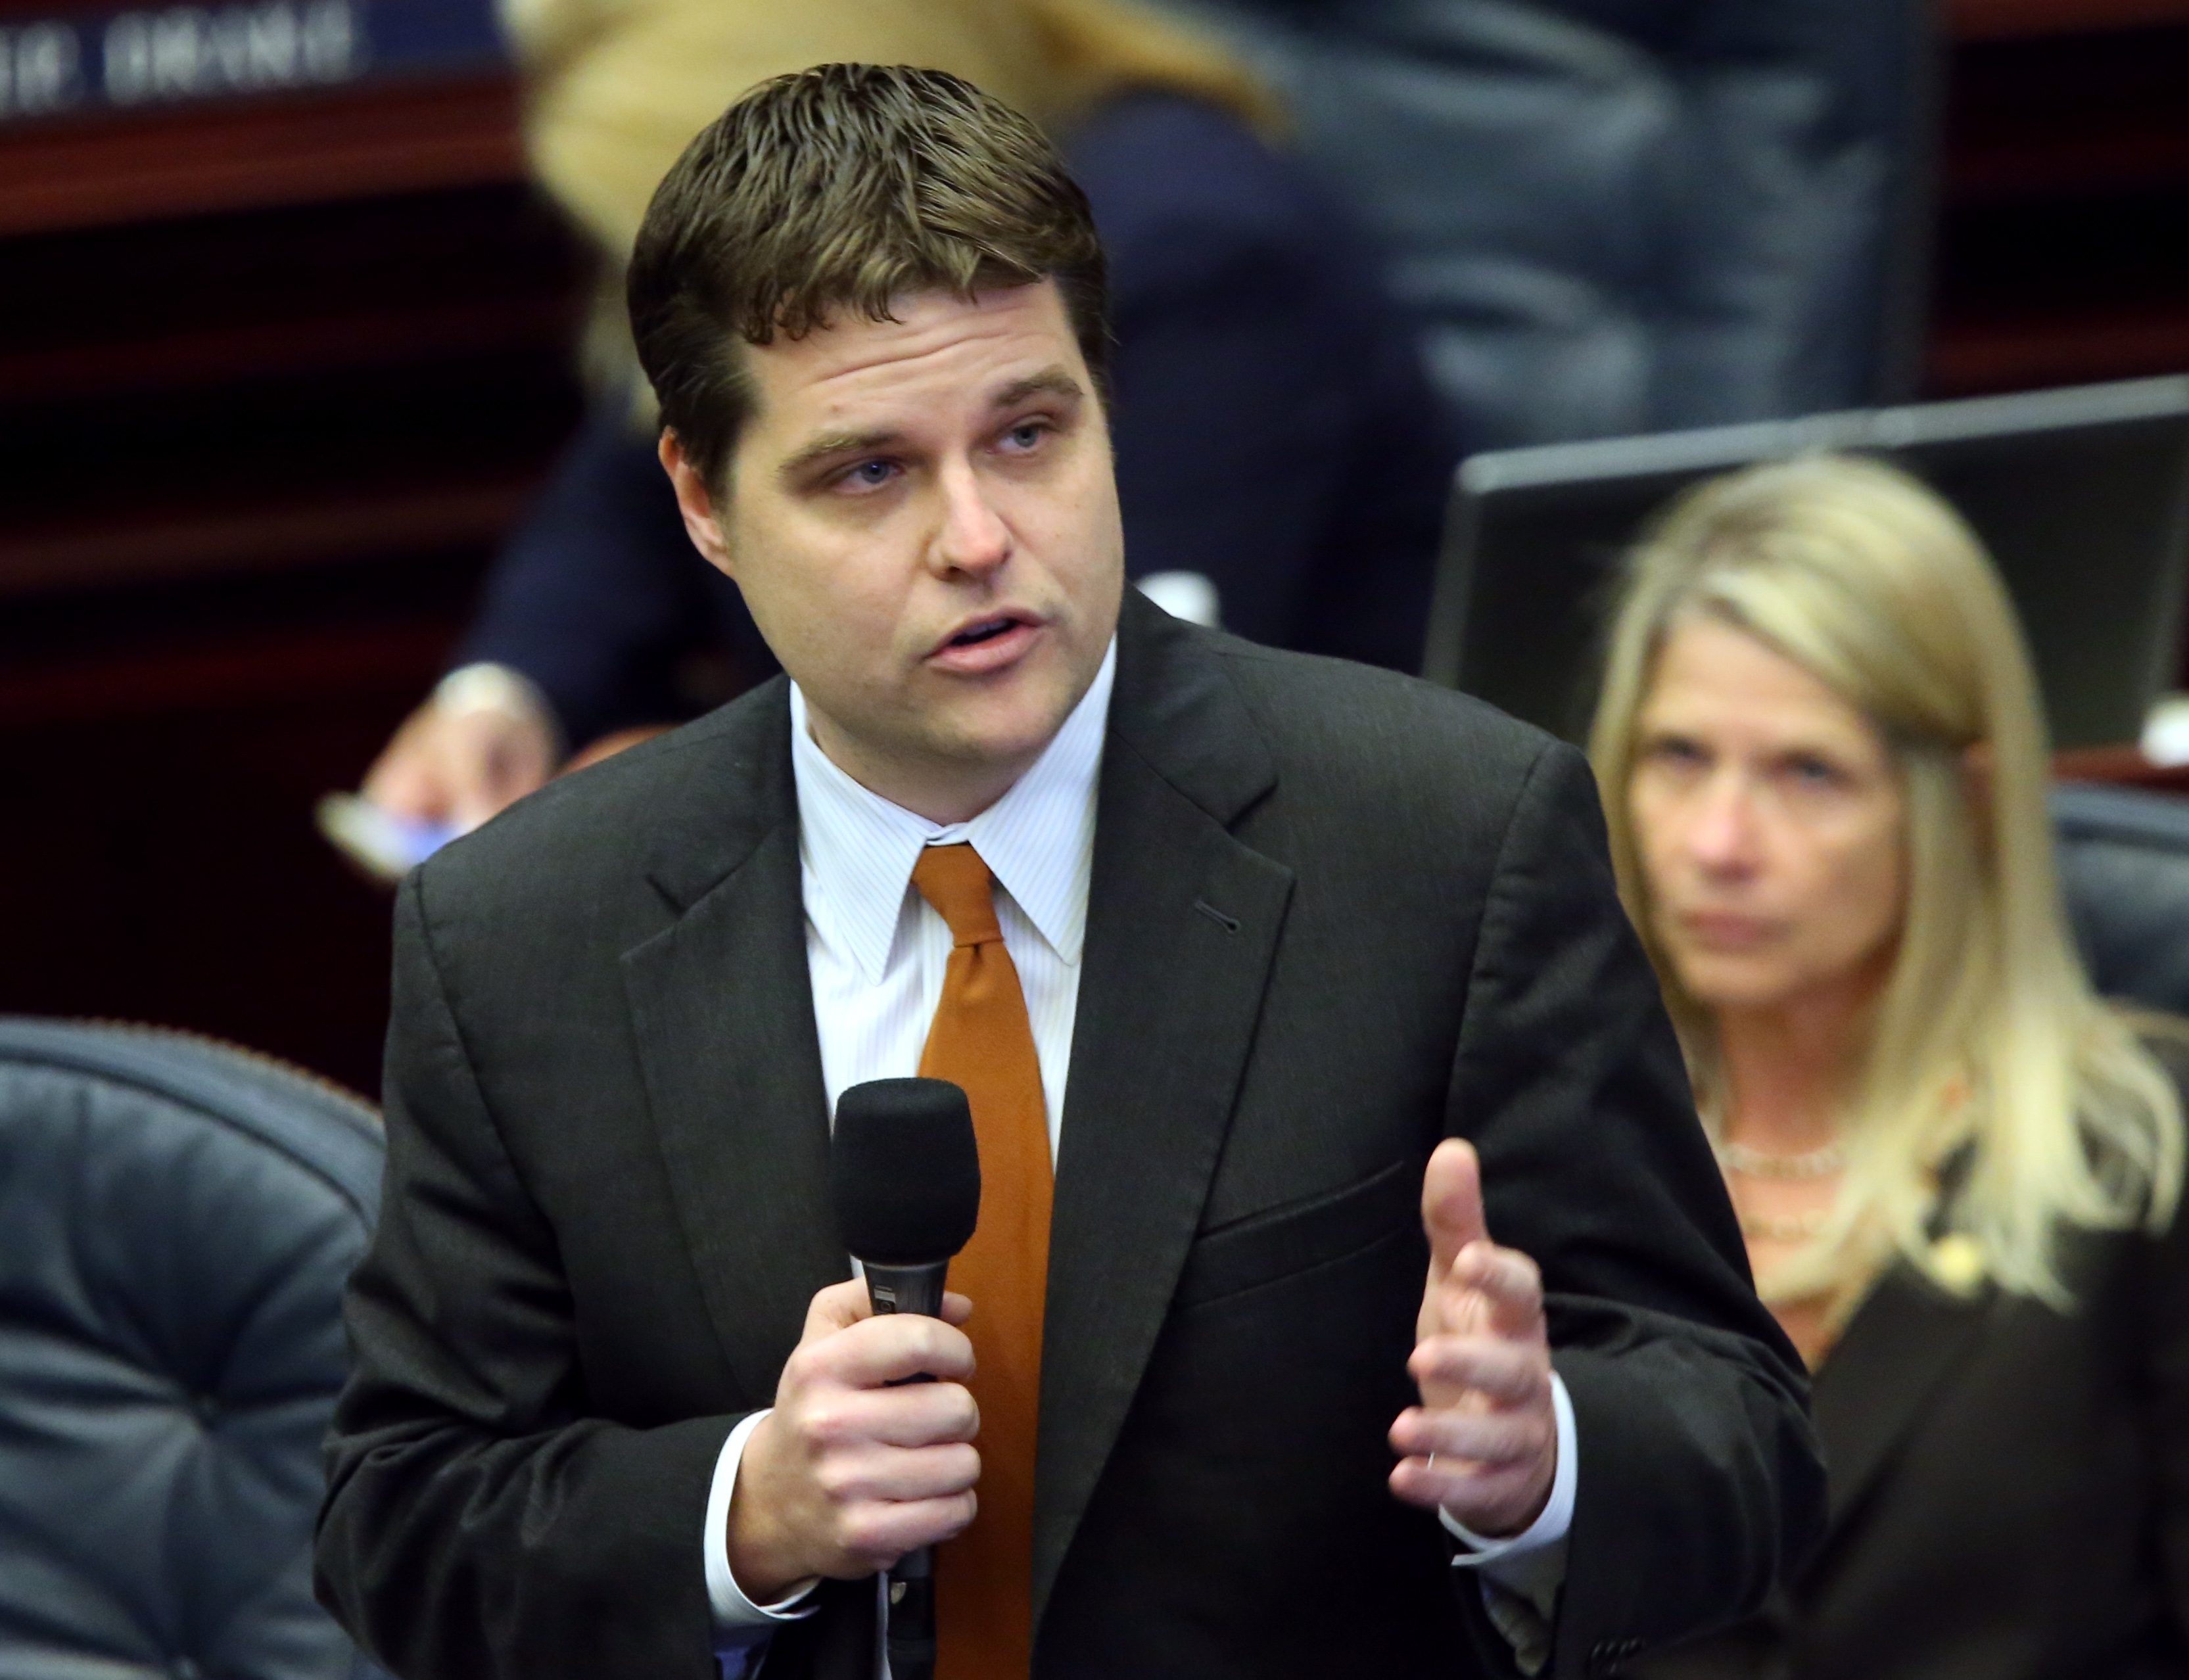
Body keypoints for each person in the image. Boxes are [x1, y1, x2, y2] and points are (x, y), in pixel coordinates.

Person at [314, 64, 1822, 1680]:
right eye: (870, 472)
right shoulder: (522, 933)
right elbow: (403, 1526)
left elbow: (1738, 1435)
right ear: (702, 499)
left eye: (1028, 433)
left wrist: (1547, 1464)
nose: (978, 536)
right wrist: (742, 1513)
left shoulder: (1450, 838)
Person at [357, 0, 1459, 837]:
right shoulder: (782, 283)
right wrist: (501, 696)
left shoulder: (1197, 246)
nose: (975, 530)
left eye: (1024, 436)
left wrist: (705, 790)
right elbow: (621, 482)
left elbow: (1087, 709)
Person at [1584, 454, 2189, 1679]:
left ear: (1959, 808)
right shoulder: (1535, 1136)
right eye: (1679, 757)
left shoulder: (2139, 1160)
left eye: (1808, 774)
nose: (1717, 843)